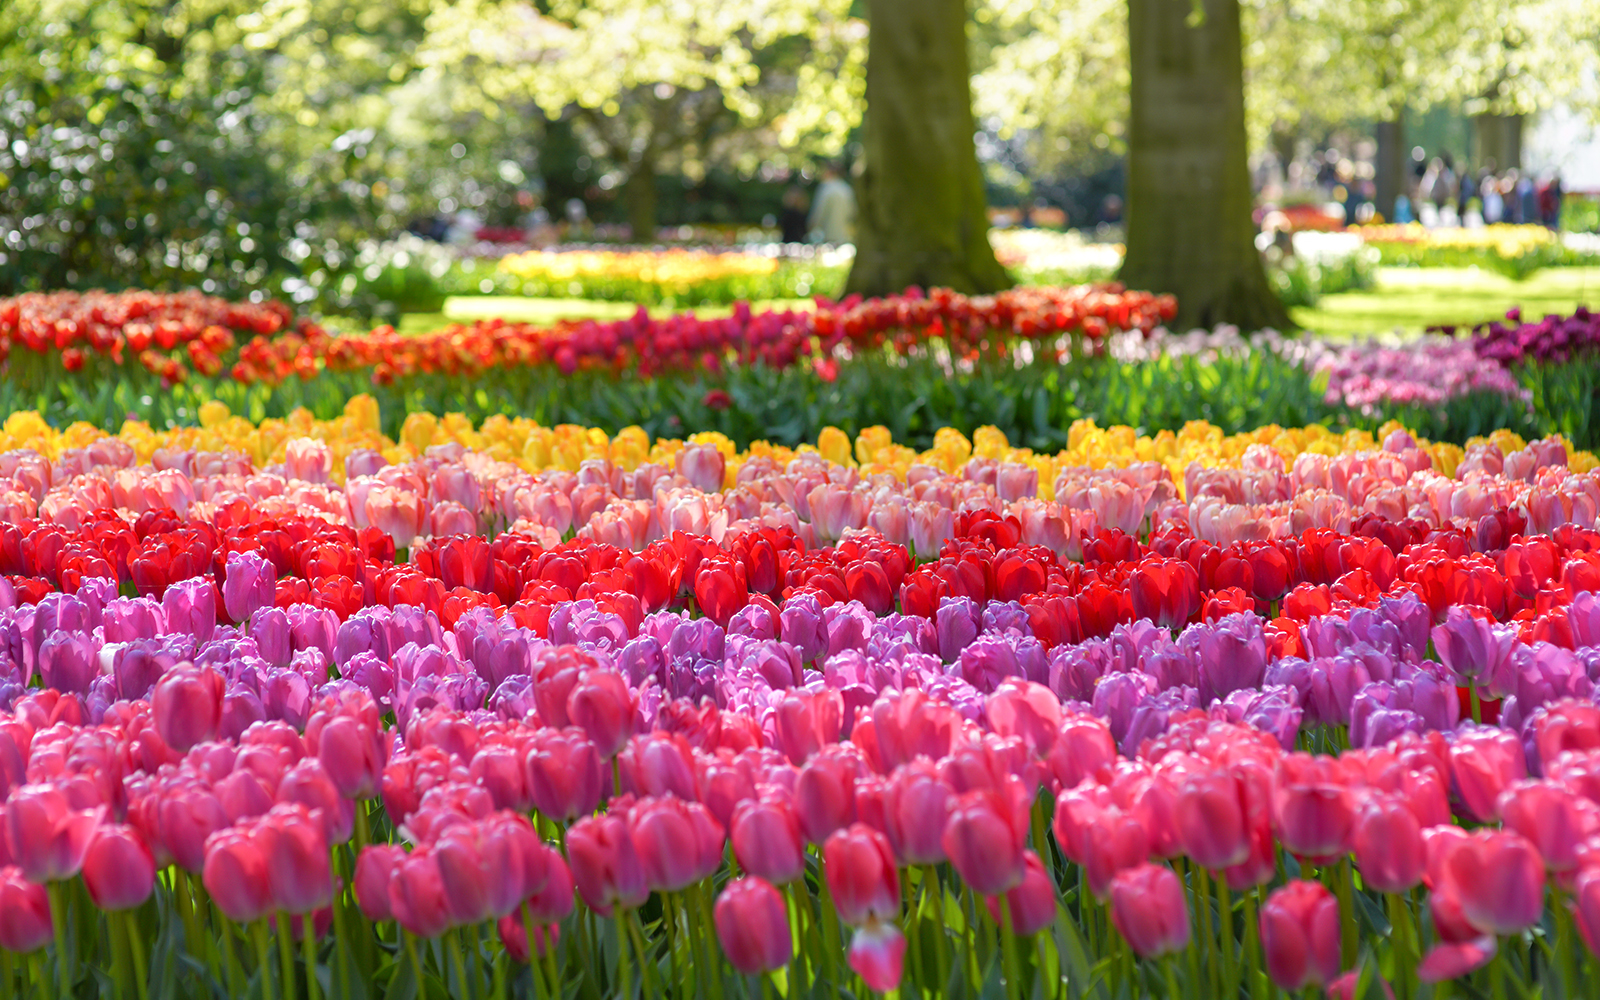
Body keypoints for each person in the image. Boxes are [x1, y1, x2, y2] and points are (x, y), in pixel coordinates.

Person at [808, 163, 857, 244]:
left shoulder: (825, 188)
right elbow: (853, 212)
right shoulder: (847, 189)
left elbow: (818, 213)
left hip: (827, 235)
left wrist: (811, 226)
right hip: (844, 236)